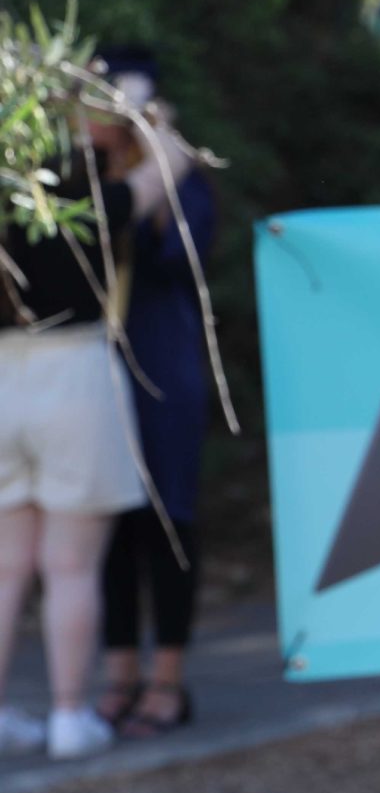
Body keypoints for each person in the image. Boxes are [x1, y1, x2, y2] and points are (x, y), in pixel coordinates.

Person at [0, 67, 172, 761]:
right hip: (74, 370)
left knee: (6, 567)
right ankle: (71, 713)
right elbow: (169, 168)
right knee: (71, 566)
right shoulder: (88, 191)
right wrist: (149, 114)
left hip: (3, 375)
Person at [92, 51, 218, 738]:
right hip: (92, 372)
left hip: (162, 368)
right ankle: (119, 674)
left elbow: (181, 256)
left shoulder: (181, 177)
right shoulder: (76, 179)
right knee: (105, 523)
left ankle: (167, 678)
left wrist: (156, 164)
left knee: (169, 520)